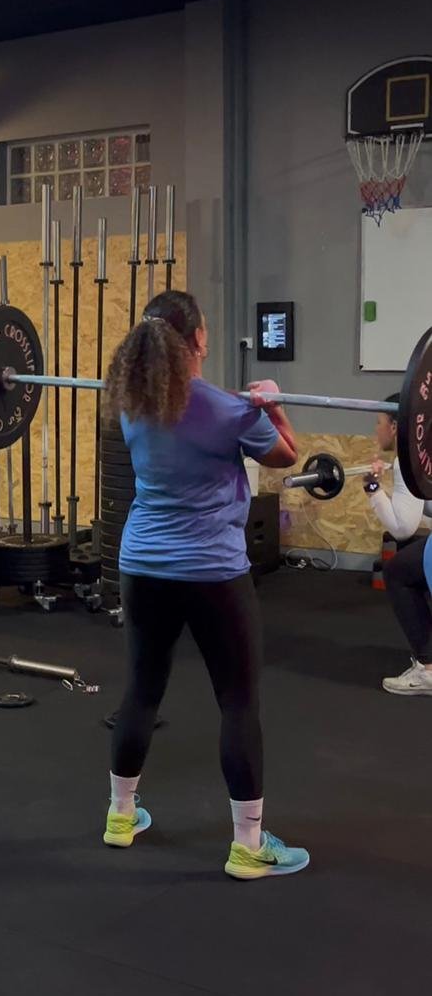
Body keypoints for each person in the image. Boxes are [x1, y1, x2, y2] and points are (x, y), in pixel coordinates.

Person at [102, 290, 309, 882]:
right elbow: (286, 457)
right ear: (195, 340)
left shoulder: (131, 404)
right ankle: (248, 846)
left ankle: (120, 816)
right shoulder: (227, 410)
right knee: (238, 702)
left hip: (143, 567)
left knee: (141, 692)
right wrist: (270, 407)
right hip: (214, 572)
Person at [360, 394, 432, 695]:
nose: (375, 429)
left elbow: (402, 529)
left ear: (394, 425)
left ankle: (428, 669)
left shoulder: (409, 459)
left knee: (398, 572)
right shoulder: (425, 448)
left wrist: (373, 489)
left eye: (378, 422)